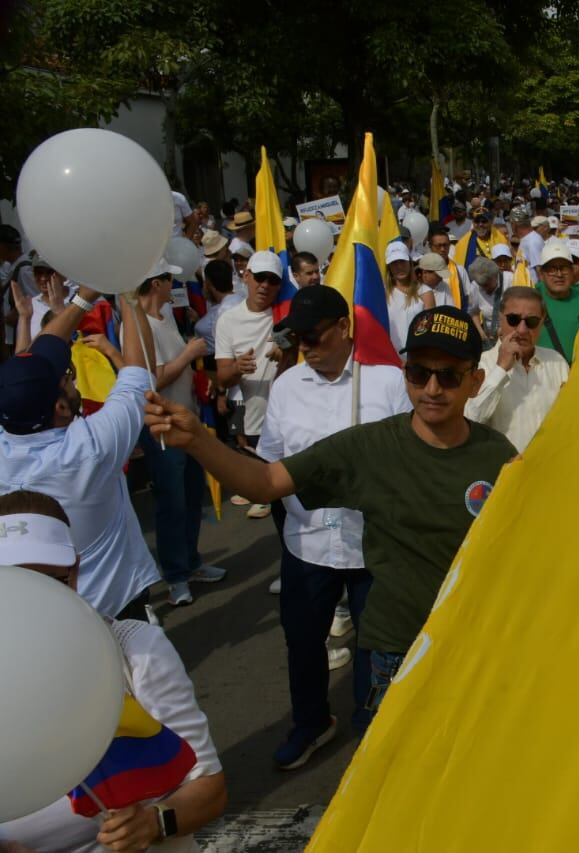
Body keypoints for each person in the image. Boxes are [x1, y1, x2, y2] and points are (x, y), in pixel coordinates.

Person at [145, 305, 516, 720]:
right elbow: (265, 484)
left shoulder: (497, 454)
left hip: (475, 643)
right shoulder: (369, 446)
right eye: (417, 372)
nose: (431, 388)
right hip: (397, 650)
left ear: (476, 381)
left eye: (448, 375)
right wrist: (197, 441)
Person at [0, 490, 227, 852]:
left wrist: (154, 823)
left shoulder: (135, 650)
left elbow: (208, 790)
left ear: (74, 570)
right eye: (17, 585)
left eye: (52, 581)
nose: (38, 602)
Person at [260, 286, 410, 764]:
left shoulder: (387, 383)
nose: (305, 345)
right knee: (303, 643)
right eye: (297, 337)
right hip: (307, 546)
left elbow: (413, 458)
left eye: (314, 335)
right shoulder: (285, 387)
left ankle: (372, 731)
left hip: (373, 547)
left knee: (374, 644)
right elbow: (270, 463)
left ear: (345, 328)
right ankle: (311, 722)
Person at [0, 283, 162, 621]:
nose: (74, 382)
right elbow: (138, 373)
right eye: (68, 379)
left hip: (37, 618)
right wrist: (129, 291)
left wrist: (84, 295)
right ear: (60, 405)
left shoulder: (10, 432)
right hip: (114, 613)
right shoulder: (89, 449)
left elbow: (44, 350)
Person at [138, 258, 224, 606]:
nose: (173, 286)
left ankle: (191, 563)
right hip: (163, 426)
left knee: (190, 494)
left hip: (186, 418)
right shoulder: (141, 325)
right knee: (171, 502)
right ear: (155, 284)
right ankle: (175, 575)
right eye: (167, 280)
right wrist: (189, 352)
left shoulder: (166, 318)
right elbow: (152, 379)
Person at [215, 250, 290, 519]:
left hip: (292, 419)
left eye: (273, 280)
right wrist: (237, 368)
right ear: (246, 276)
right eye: (260, 278)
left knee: (294, 504)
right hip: (257, 421)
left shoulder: (286, 313)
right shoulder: (228, 320)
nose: (265, 285)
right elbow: (222, 376)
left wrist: (287, 351)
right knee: (274, 500)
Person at [465, 287, 570, 453]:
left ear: (542, 321)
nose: (522, 330)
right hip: (503, 471)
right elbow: (469, 420)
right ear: (500, 318)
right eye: (513, 319)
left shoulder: (557, 363)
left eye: (532, 322)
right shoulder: (482, 364)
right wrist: (500, 369)